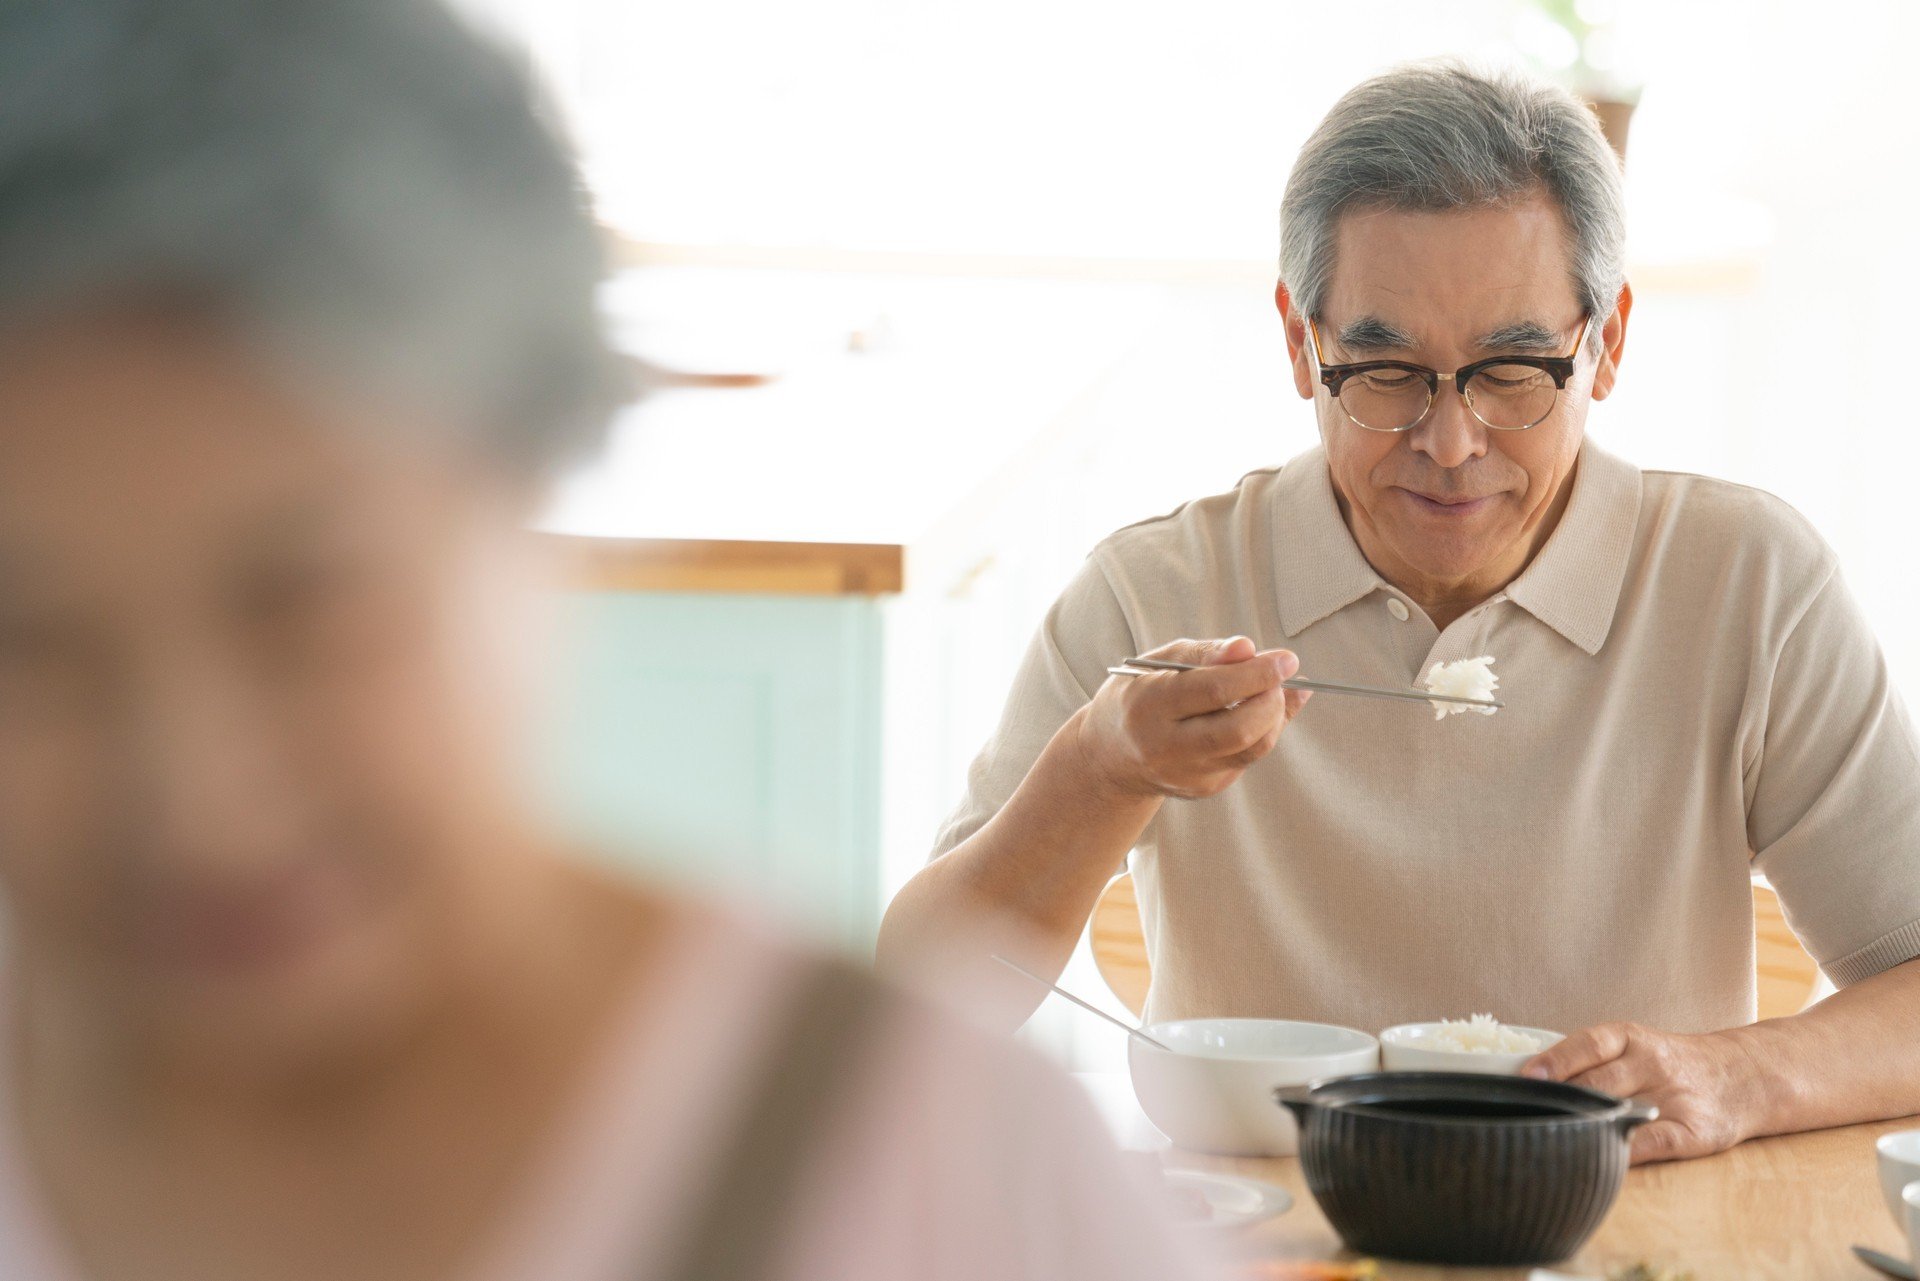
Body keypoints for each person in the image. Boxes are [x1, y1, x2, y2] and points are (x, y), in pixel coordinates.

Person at [0, 3, 1213, 1278]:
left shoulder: (943, 1175)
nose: (198, 800)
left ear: (534, 484)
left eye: (306, 604)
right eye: (29, 641)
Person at [879, 60, 1920, 1165]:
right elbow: (908, 1022)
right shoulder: (1158, 596)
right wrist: (1097, 773)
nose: (1450, 442)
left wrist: (1738, 1073)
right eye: (1383, 370)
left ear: (1607, 343)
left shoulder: (1745, 585)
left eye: (1513, 370)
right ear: (1299, 343)